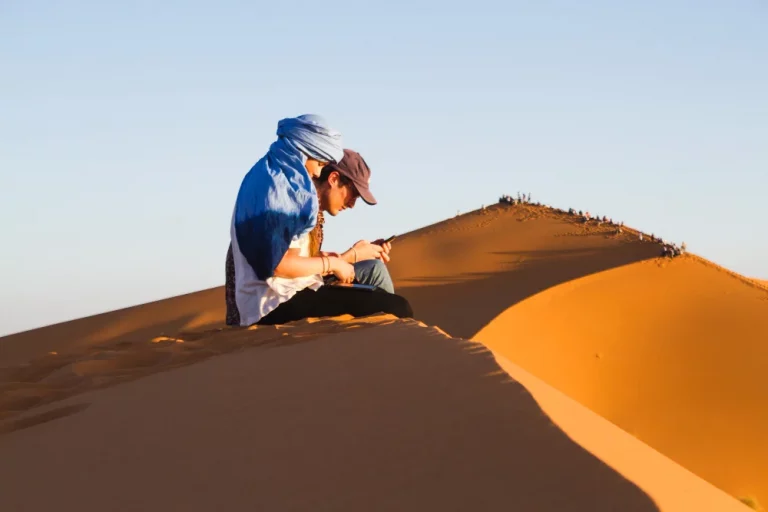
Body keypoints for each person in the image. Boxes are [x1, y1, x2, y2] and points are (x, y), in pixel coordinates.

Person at [225, 115, 412, 327]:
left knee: (374, 276)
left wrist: (340, 259)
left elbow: (286, 255)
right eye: (321, 163)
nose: (318, 171)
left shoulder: (278, 179)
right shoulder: (282, 189)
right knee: (396, 307)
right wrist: (336, 262)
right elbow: (278, 265)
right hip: (272, 304)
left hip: (283, 292)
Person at [309, 149, 396, 294]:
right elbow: (287, 268)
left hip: (306, 285)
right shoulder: (301, 206)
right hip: (289, 297)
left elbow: (305, 258)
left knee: (374, 268)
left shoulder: (315, 212)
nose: (352, 204)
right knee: (392, 298)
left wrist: (356, 254)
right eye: (353, 195)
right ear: (334, 179)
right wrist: (350, 256)